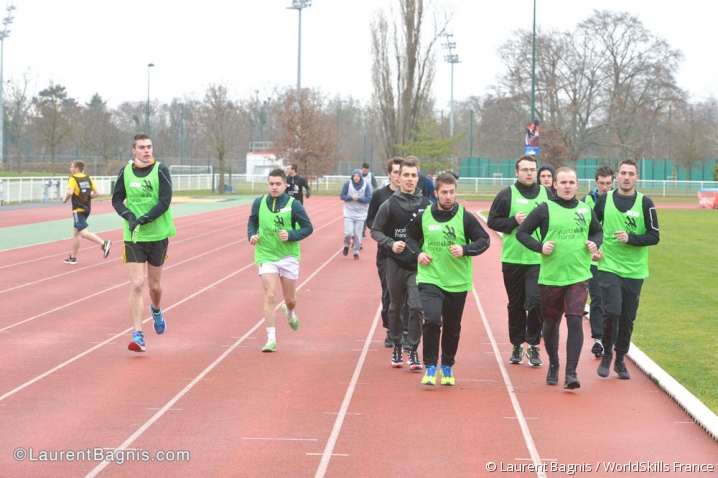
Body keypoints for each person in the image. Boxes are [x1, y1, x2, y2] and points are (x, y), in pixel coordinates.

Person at [517, 167, 603, 389]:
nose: (567, 186)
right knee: (552, 324)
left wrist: (596, 243)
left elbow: (597, 231)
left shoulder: (585, 209)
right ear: (554, 185)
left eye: (571, 182)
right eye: (562, 182)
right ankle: (554, 363)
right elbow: (522, 233)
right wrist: (540, 246)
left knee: (575, 321)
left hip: (578, 276)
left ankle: (571, 372)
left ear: (577, 185)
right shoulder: (545, 209)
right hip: (551, 278)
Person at [406, 172, 490, 386]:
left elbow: (484, 240)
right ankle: (431, 365)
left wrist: (465, 249)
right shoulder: (424, 216)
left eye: (452, 192)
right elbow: (410, 237)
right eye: (444, 192)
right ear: (436, 193)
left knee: (452, 327)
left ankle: (447, 366)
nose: (448, 196)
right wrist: (418, 254)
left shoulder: (465, 217)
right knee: (432, 320)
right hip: (430, 277)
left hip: (457, 281)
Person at [593, 158, 659, 380]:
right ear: (616, 177)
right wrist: (595, 248)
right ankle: (606, 355)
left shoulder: (646, 203)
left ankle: (621, 359)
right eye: (623, 173)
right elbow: (593, 229)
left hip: (634, 270)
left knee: (628, 318)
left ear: (637, 177)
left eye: (631, 173)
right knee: (612, 311)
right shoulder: (604, 200)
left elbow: (654, 236)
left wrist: (631, 238)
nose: (627, 177)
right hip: (609, 265)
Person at [112, 134, 176, 352]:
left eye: (149, 147)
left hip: (157, 235)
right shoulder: (125, 171)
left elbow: (165, 201)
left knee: (154, 286)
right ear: (134, 150)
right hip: (134, 237)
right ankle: (138, 334)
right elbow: (116, 199)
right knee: (137, 284)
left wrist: (145, 218)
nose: (146, 150)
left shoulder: (161, 170)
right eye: (142, 147)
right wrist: (129, 216)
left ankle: (156, 310)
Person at [487, 155, 550, 367]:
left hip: (537, 259)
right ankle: (516, 345)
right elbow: (492, 221)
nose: (529, 173)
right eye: (525, 169)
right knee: (515, 304)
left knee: (535, 301)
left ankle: (533, 345)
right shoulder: (506, 195)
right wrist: (514, 221)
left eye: (532, 169)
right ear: (516, 172)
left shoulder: (546, 194)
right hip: (513, 259)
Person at [371, 157, 431, 371]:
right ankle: (397, 345)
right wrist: (390, 243)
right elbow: (375, 230)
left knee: (416, 307)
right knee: (395, 308)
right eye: (405, 175)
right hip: (394, 263)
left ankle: (413, 350)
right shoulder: (389, 204)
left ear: (418, 177)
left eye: (413, 175)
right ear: (398, 177)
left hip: (417, 266)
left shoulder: (427, 205)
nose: (409, 179)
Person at [248, 169, 314, 352]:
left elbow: (308, 228)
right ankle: (271, 339)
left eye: (278, 184)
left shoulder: (294, 205)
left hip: (288, 256)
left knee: (290, 299)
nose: (274, 187)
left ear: (285, 185)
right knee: (270, 295)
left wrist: (291, 234)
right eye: (271, 184)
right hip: (266, 254)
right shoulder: (259, 202)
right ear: (267, 184)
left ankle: (289, 311)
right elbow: (252, 222)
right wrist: (252, 235)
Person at [366, 157, 404, 347]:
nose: (398, 176)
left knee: (407, 294)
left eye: (401, 172)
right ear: (389, 174)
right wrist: (384, 232)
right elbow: (370, 221)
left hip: (408, 254)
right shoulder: (380, 195)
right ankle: (391, 330)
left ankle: (403, 330)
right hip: (386, 253)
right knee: (389, 292)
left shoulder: (413, 197)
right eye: (395, 172)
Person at [581, 165, 615, 358]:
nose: (604, 187)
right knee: (597, 298)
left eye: (608, 183)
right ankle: (598, 339)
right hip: (592, 259)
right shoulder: (585, 202)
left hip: (612, 260)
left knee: (612, 301)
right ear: (596, 182)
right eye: (601, 183)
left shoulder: (618, 201)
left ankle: (612, 336)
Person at [61, 160, 111, 264]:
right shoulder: (88, 178)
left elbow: (70, 192)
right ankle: (73, 257)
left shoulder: (72, 178)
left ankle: (104, 243)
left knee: (83, 233)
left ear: (76, 169)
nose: (70, 169)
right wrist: (88, 199)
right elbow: (98, 193)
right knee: (76, 233)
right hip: (87, 209)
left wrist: (64, 199)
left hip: (78, 209)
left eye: (71, 167)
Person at [340, 168, 372, 259]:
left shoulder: (366, 186)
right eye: (354, 176)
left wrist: (358, 199)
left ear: (361, 177)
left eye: (358, 176)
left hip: (361, 214)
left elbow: (369, 199)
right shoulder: (348, 184)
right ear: (352, 177)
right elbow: (342, 196)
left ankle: (356, 251)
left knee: (358, 235)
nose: (356, 178)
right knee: (348, 233)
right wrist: (350, 197)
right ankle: (346, 244)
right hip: (349, 212)